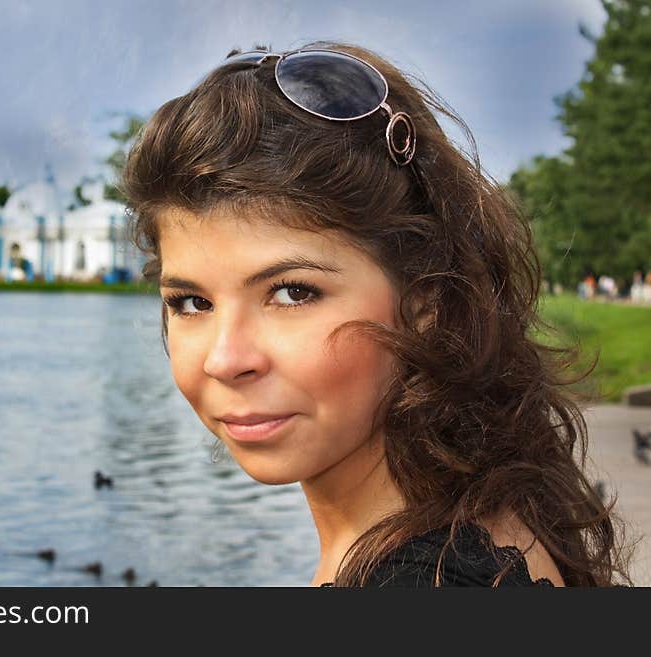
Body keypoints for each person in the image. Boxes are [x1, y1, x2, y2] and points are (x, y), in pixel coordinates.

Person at [120, 41, 632, 586]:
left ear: (425, 303)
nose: (225, 360)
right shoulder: (485, 518)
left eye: (292, 293)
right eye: (192, 302)